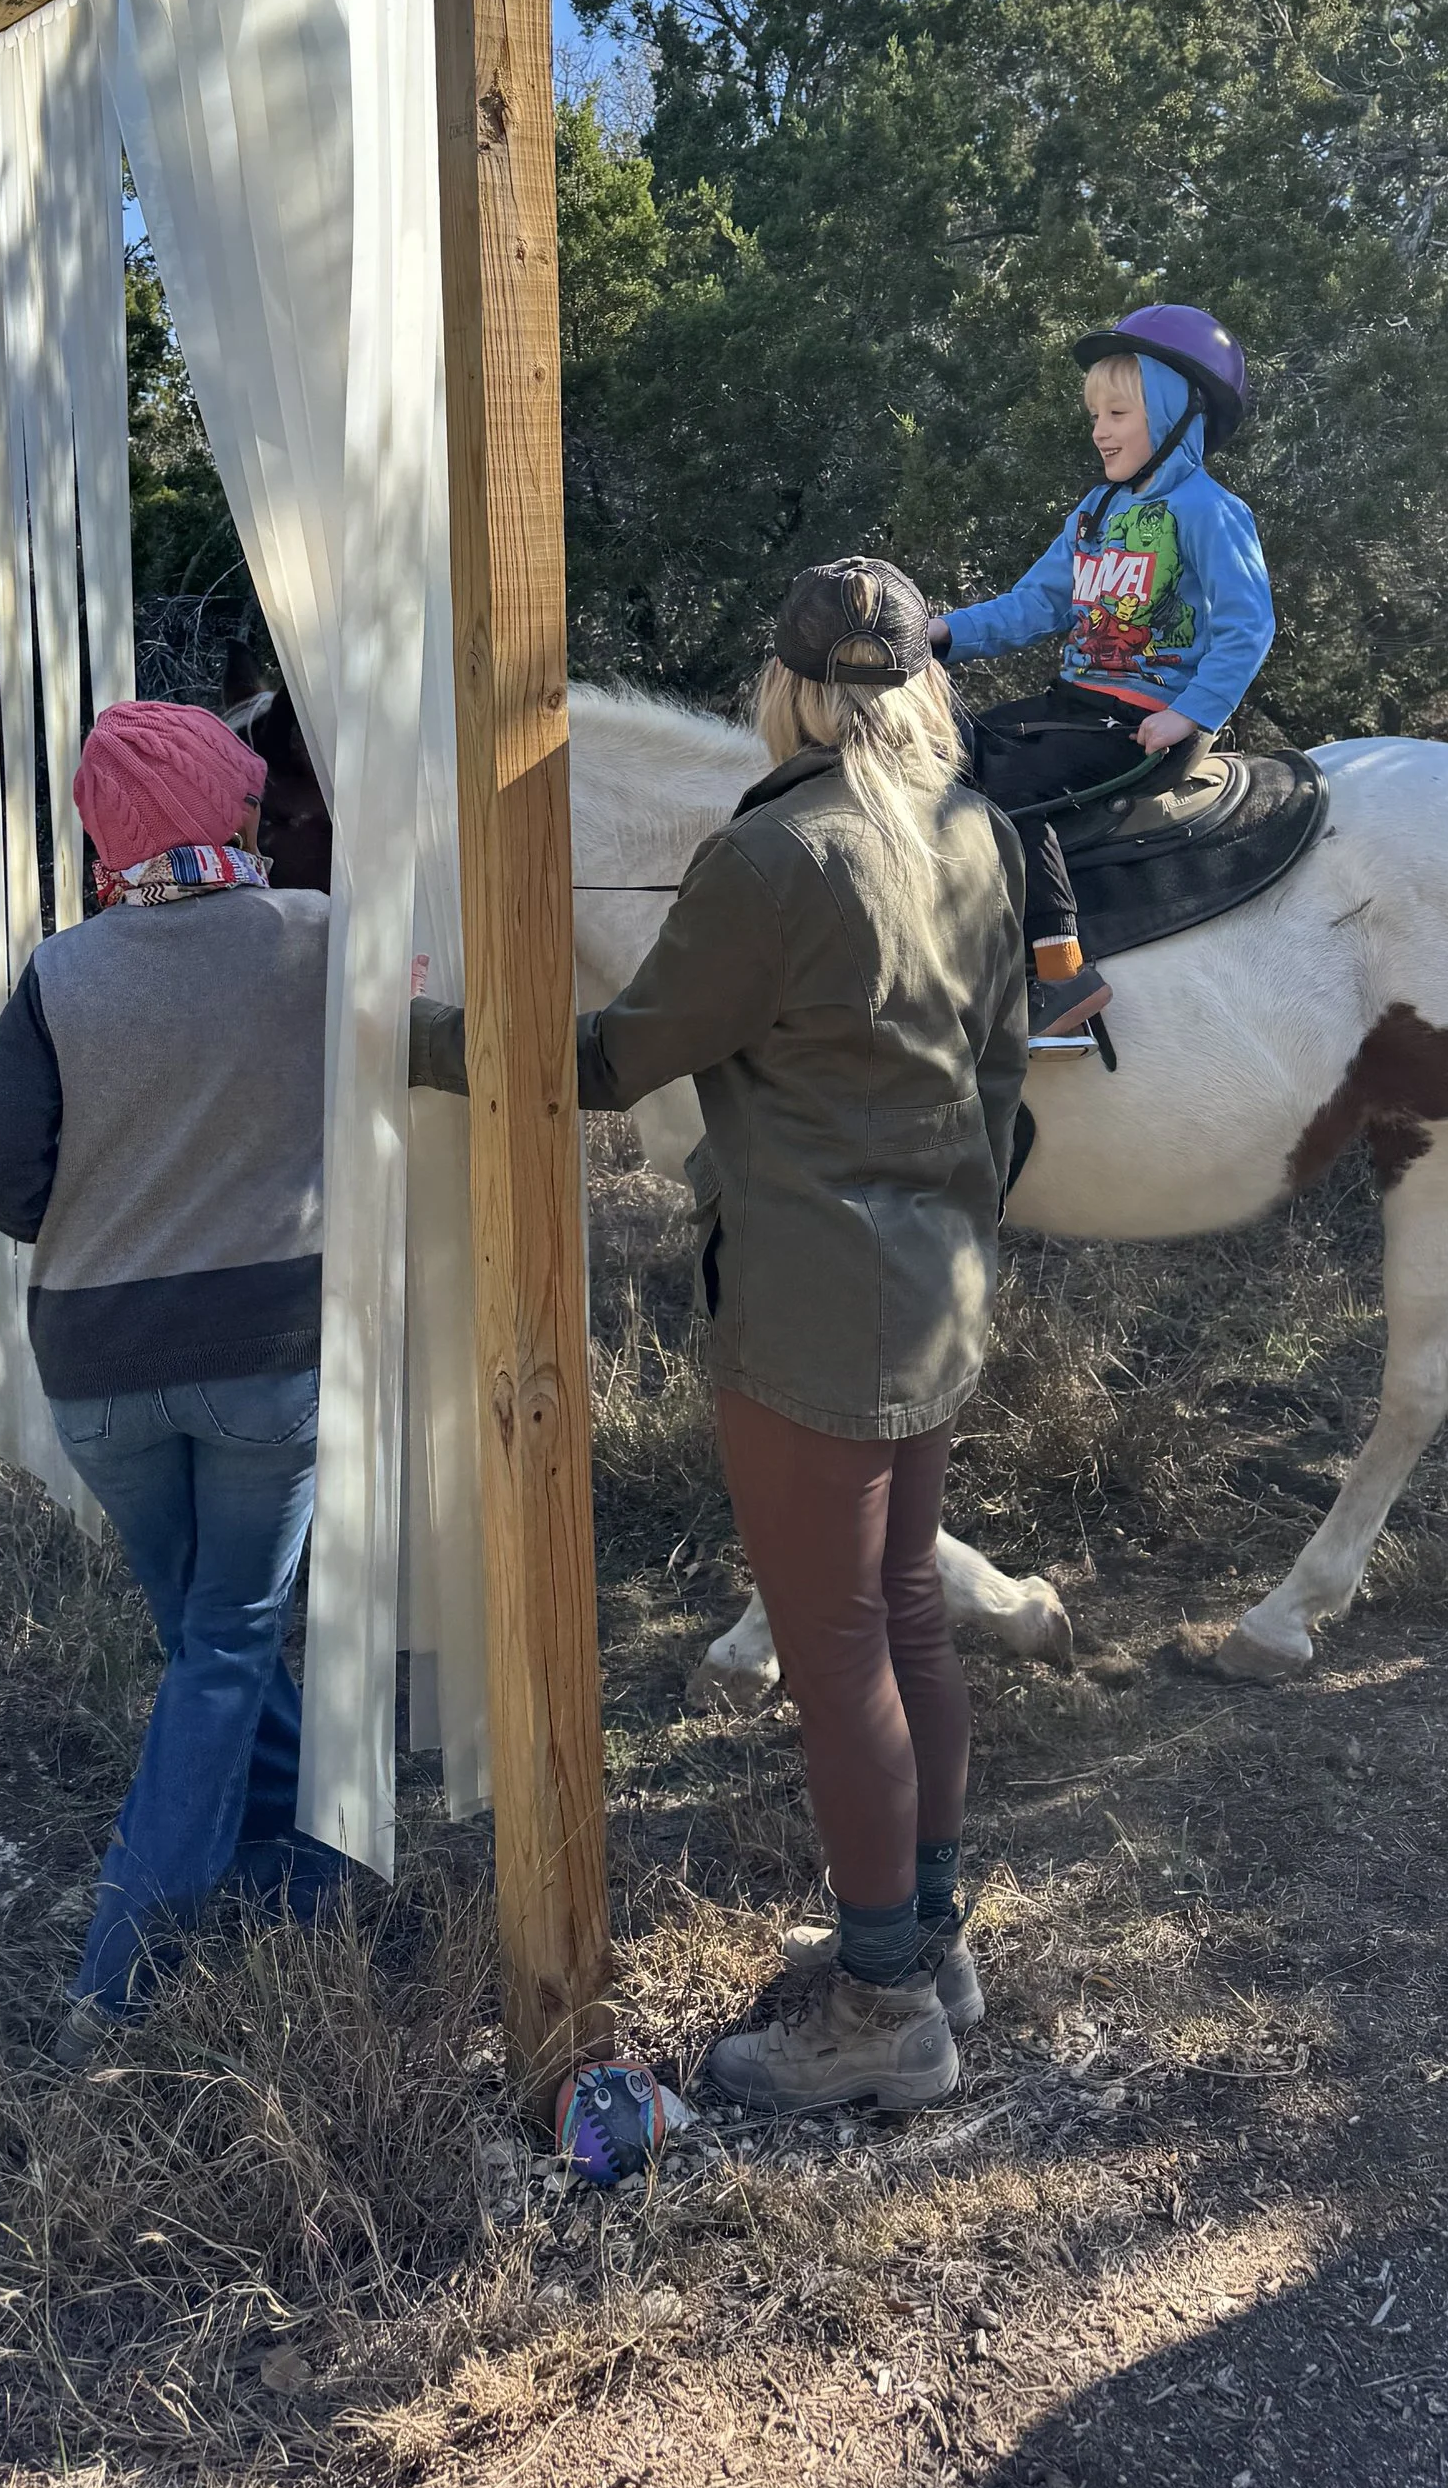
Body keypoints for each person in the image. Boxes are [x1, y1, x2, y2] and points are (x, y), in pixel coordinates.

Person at [410, 559, 1028, 2116]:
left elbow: (622, 1059)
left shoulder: (778, 853)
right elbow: (1005, 1081)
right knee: (904, 1618)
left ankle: (885, 2006)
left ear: (791, 687)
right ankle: (923, 1941)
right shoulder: (981, 832)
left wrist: (412, 1034)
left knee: (837, 1648)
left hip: (815, 1304)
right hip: (941, 1282)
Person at [0, 696, 352, 2051]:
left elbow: (2, 1176)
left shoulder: (63, 974)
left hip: (98, 1367)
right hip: (264, 1361)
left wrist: (117, 1201)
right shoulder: (315, 940)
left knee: (205, 1640)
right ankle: (114, 1986)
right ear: (234, 809)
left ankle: (312, 1878)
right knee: (228, 1642)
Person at [933, 305, 1274, 1045]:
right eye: (1094, 413)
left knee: (1014, 792)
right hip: (1078, 706)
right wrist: (942, 634)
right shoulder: (1094, 512)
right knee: (941, 748)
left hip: (1148, 724)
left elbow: (1250, 624)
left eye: (1118, 410)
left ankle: (1061, 973)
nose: (1099, 429)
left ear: (1176, 415)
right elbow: (1038, 603)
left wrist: (1192, 713)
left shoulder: (1209, 512)